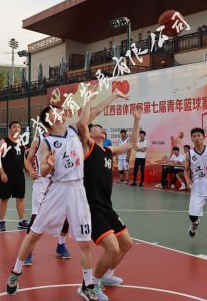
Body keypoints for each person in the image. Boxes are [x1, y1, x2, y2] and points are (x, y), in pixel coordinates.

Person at [5, 92, 127, 300]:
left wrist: (112, 95)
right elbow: (43, 171)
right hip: (58, 190)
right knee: (34, 234)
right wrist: (49, 165)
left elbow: (96, 110)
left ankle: (88, 286)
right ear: (48, 119)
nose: (60, 112)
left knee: (84, 242)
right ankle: (16, 271)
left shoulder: (74, 131)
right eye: (55, 111)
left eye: (60, 110)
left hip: (78, 190)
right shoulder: (46, 141)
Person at [80, 99, 141, 300]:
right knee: (112, 248)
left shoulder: (108, 151)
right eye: (97, 127)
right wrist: (89, 103)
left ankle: (106, 276)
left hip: (107, 207)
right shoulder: (88, 147)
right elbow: (82, 125)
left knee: (126, 244)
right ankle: (89, 286)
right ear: (90, 133)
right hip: (92, 208)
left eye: (102, 128)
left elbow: (133, 143)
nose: (101, 129)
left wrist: (136, 120)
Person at [21, 133, 71, 266]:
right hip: (41, 182)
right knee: (35, 217)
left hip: (58, 183)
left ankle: (61, 244)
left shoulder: (64, 139)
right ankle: (28, 251)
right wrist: (30, 170)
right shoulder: (38, 140)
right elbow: (28, 160)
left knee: (66, 216)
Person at [0, 121, 29, 232]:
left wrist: (28, 171)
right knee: (4, 199)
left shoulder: (22, 142)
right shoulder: (3, 142)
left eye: (19, 127)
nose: (17, 128)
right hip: (7, 175)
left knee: (20, 198)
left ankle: (22, 221)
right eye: (14, 127)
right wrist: (2, 173)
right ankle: (1, 221)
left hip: (19, 175)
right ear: (9, 129)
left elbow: (23, 159)